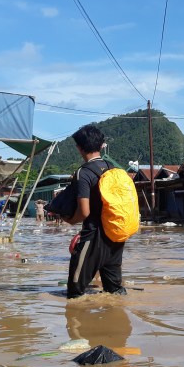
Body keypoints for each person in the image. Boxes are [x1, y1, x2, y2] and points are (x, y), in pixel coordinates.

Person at [65, 124, 127, 299]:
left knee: (75, 293)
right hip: (116, 235)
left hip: (93, 236)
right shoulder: (114, 169)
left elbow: (84, 212)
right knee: (114, 291)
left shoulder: (83, 173)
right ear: (101, 145)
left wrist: (71, 220)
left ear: (79, 148)